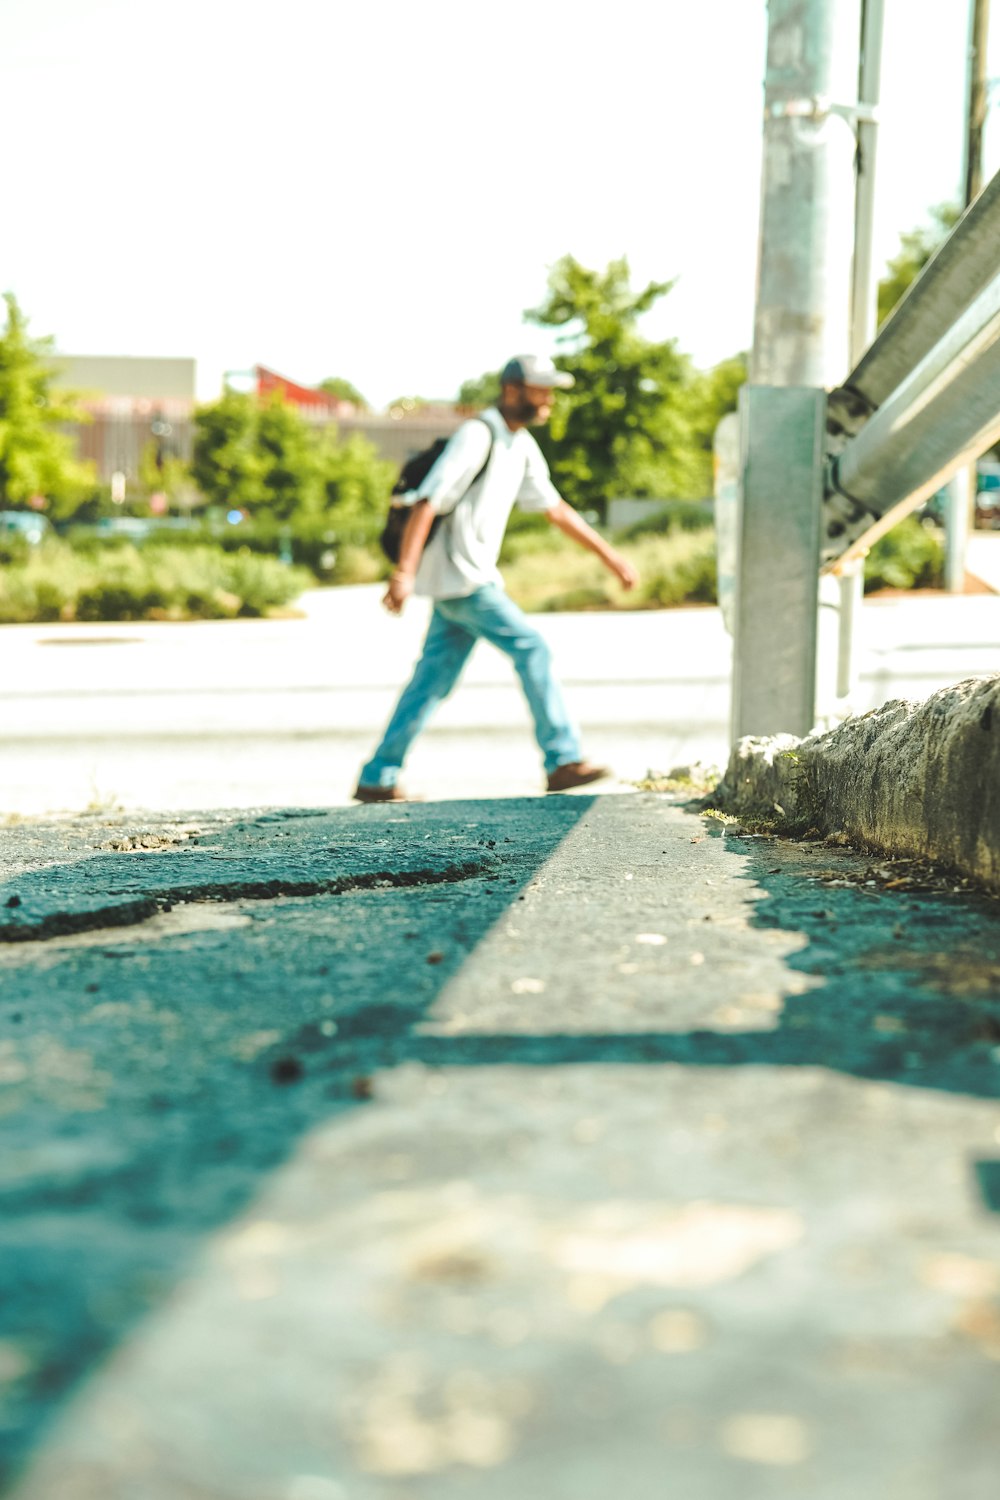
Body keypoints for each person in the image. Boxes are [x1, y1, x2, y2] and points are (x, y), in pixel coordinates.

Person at [353, 354, 639, 803]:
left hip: (461, 582)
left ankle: (377, 776)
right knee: (532, 647)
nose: (548, 399)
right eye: (540, 390)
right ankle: (562, 759)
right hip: (465, 580)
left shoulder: (519, 443)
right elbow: (429, 501)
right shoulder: (477, 434)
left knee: (431, 680)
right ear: (512, 391)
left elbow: (555, 508)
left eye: (550, 390)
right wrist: (403, 573)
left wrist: (613, 558)